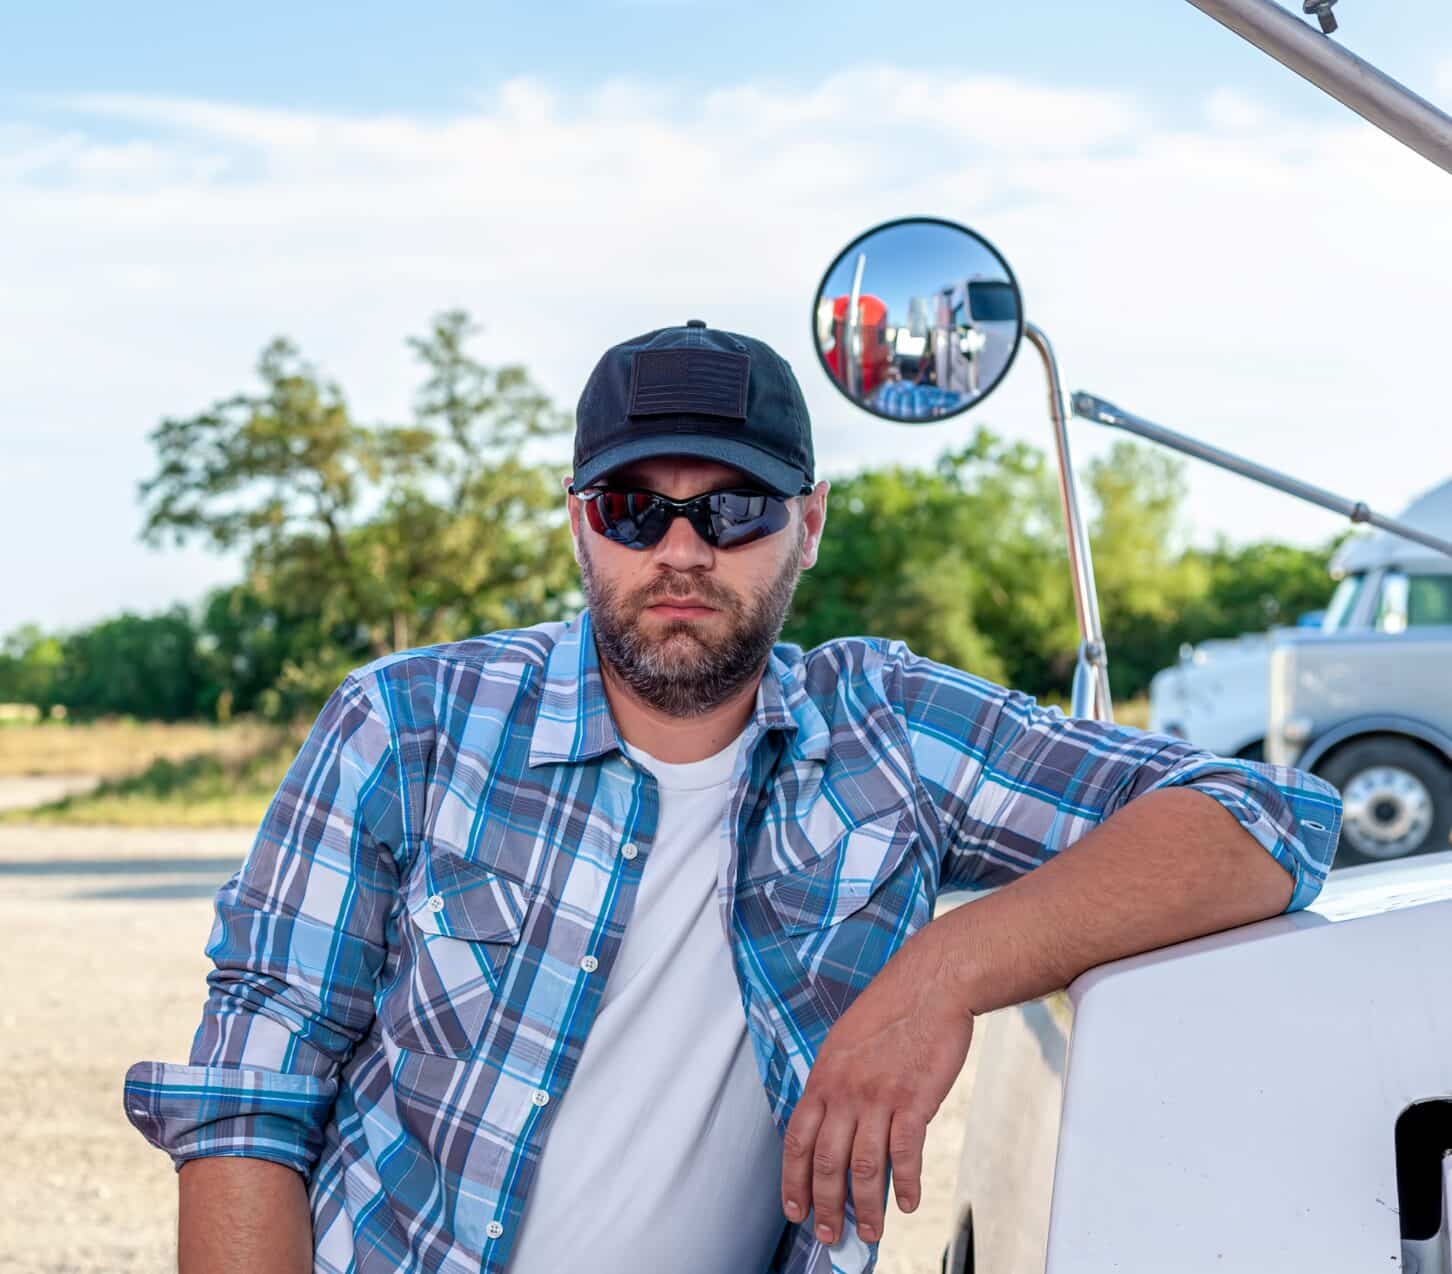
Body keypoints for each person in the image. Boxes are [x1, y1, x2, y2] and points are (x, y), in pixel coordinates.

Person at [123, 321, 1343, 1274]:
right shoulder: (406, 724)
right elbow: (249, 1103)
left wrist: (942, 968)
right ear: (578, 524)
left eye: (734, 507)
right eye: (633, 505)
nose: (681, 548)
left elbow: (1266, 820)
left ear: (806, 525)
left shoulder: (890, 731)